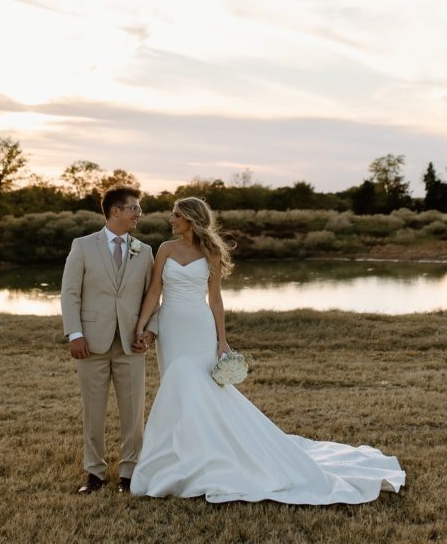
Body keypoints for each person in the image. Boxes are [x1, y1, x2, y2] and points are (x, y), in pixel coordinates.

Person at [130, 197, 406, 504]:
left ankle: (207, 455)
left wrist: (221, 340)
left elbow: (216, 300)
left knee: (202, 389)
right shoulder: (165, 249)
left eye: (176, 215)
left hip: (199, 327)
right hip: (171, 327)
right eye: (172, 215)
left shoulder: (210, 253)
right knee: (177, 389)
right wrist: (142, 327)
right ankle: (178, 453)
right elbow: (155, 291)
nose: (171, 219)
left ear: (192, 219)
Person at [60, 186, 159, 494]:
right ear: (115, 211)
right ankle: (95, 473)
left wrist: (149, 330)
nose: (138, 215)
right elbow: (70, 293)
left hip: (131, 343)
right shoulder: (82, 246)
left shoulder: (144, 251)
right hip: (91, 341)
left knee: (134, 411)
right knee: (93, 409)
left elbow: (152, 298)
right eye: (134, 209)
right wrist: (75, 334)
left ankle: (130, 473)